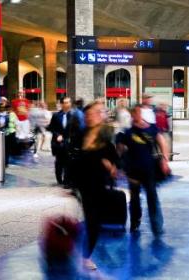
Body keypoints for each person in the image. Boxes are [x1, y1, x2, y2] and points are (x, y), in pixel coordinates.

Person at [75, 101, 118, 270]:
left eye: (93, 114)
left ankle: (85, 256)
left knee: (94, 221)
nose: (89, 117)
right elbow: (73, 157)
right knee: (90, 220)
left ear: (100, 116)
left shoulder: (106, 136)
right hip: (83, 183)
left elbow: (114, 158)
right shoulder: (81, 134)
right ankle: (83, 255)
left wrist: (111, 165)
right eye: (87, 115)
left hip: (99, 183)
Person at [117, 104, 169, 236]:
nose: (137, 115)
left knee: (152, 197)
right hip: (133, 172)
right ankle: (135, 222)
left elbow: (162, 142)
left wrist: (164, 160)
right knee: (134, 199)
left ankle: (156, 226)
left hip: (149, 171)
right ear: (132, 115)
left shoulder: (151, 128)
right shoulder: (127, 132)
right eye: (134, 113)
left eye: (139, 112)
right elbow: (120, 150)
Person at [47, 96, 74, 185]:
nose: (67, 104)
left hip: (69, 143)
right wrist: (57, 135)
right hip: (58, 144)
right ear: (61, 104)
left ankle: (67, 181)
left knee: (68, 162)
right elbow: (51, 128)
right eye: (65, 103)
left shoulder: (74, 115)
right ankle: (59, 179)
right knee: (59, 162)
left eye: (69, 102)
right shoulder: (56, 115)